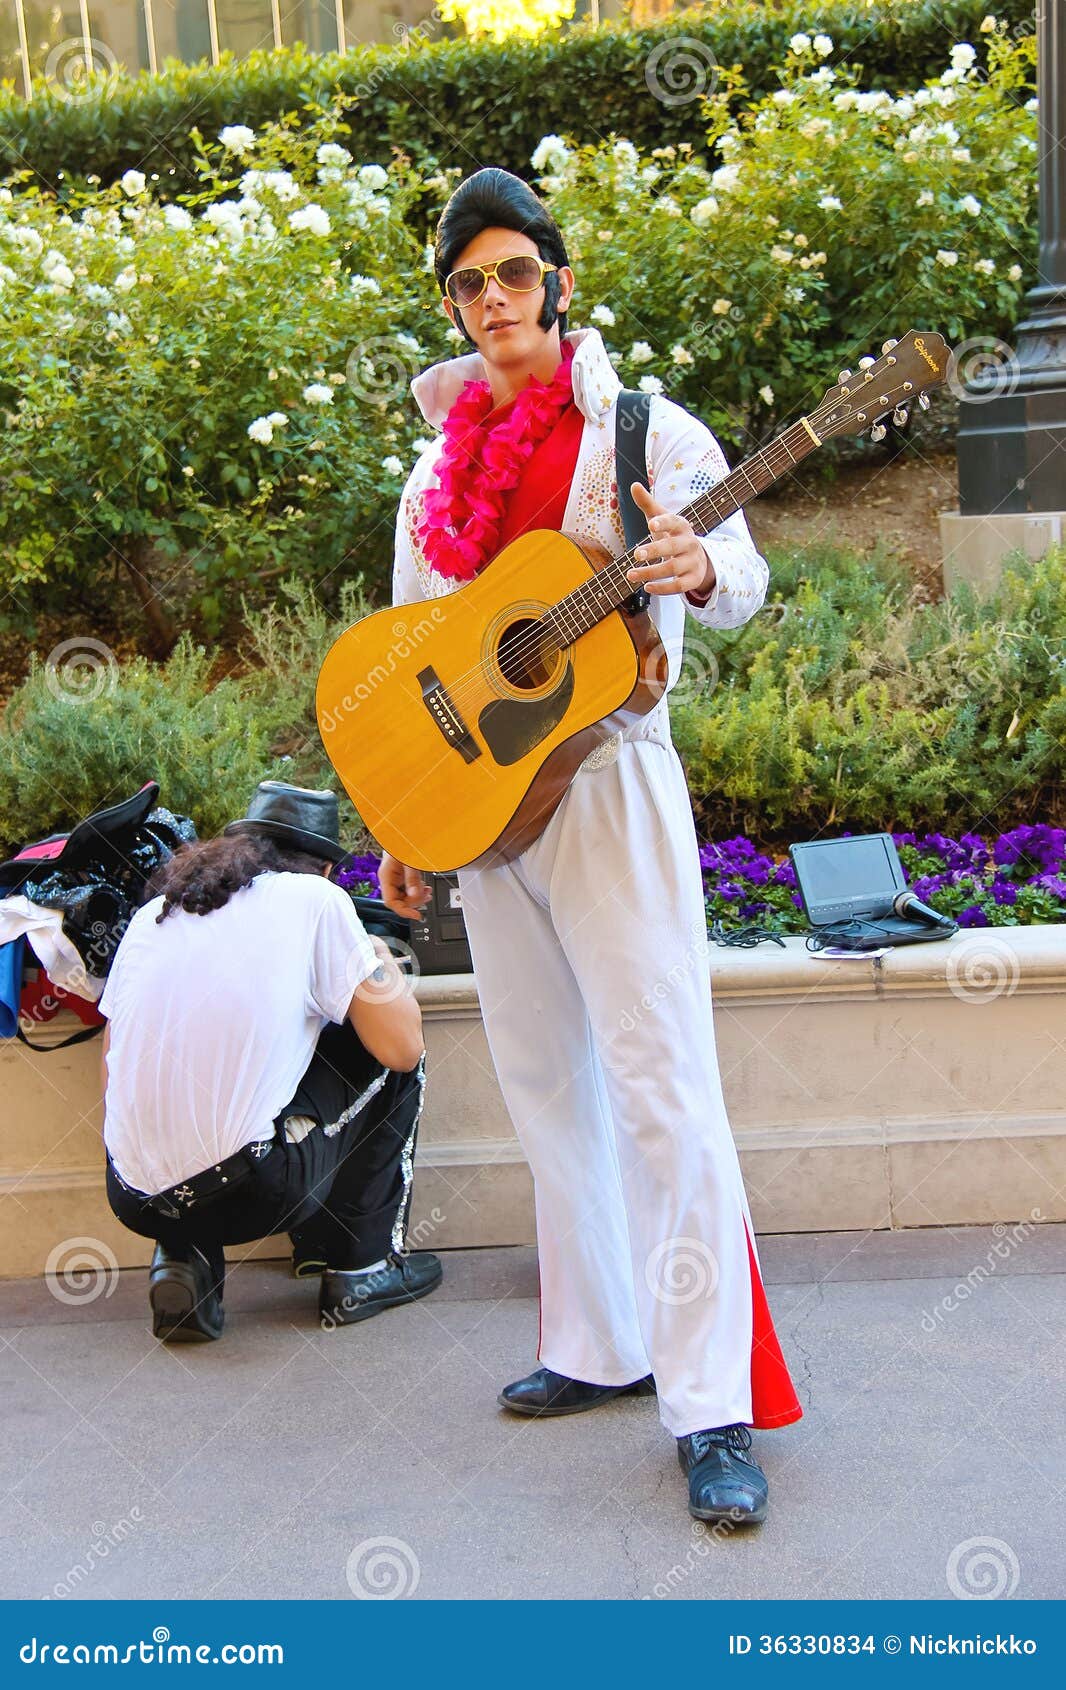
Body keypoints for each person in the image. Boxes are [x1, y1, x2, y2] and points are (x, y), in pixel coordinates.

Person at [380, 168, 803, 1525]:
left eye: (513, 272)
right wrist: (408, 819)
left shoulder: (636, 428)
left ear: (555, 280)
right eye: (468, 283)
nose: (494, 298)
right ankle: (598, 1342)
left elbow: (738, 575)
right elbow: (413, 658)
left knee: (659, 1083)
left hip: (609, 780)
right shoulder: (434, 466)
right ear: (452, 302)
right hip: (488, 812)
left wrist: (693, 566)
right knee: (541, 1079)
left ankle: (708, 1403)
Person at [100, 781, 440, 1342]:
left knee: (207, 1080)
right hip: (254, 1194)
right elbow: (401, 1047)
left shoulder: (155, 913)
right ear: (328, 870)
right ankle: (363, 1268)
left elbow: (115, 1066)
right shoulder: (316, 900)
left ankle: (185, 1263)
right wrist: (375, 955)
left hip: (132, 1196)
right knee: (392, 1060)